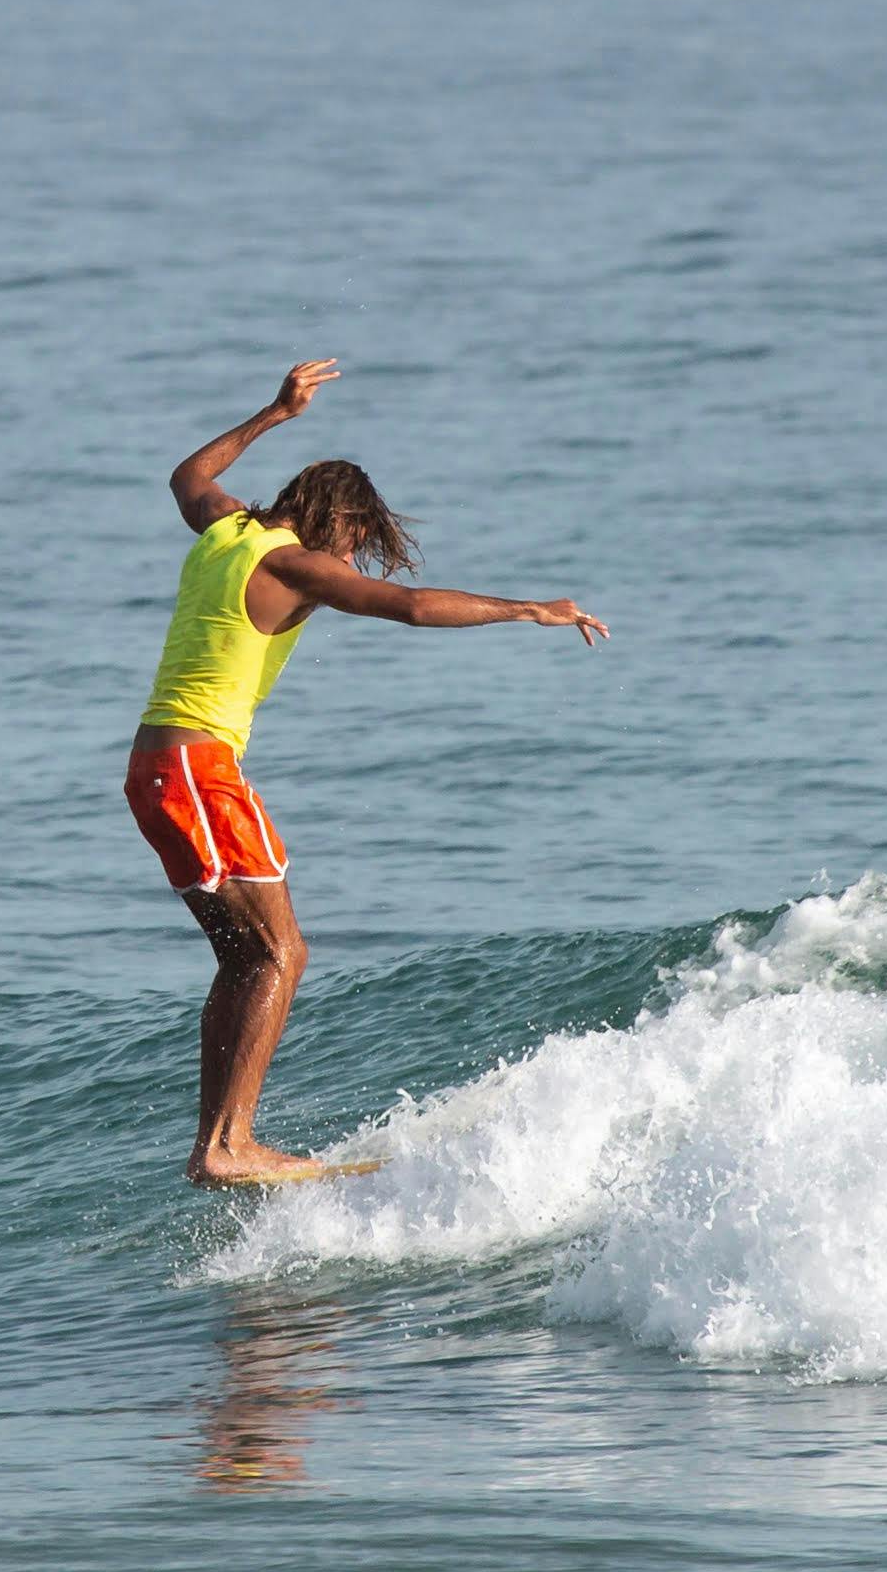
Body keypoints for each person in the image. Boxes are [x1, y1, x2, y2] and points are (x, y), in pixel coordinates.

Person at [130, 359, 606, 1184]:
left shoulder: (224, 530)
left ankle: (220, 1142)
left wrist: (274, 413)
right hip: (198, 768)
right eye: (354, 541)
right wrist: (531, 607)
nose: (350, 559)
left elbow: (188, 475)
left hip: (157, 770)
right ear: (334, 523)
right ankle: (227, 1145)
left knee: (248, 957)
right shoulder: (292, 564)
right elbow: (415, 607)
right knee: (282, 953)